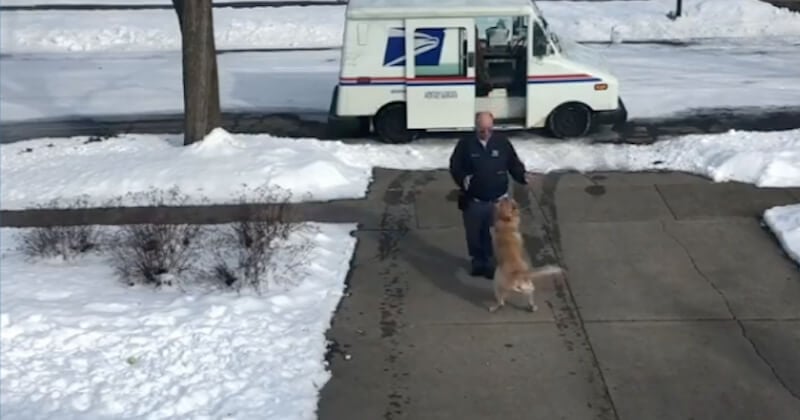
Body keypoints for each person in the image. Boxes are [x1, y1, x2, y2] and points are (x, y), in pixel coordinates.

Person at [448, 112, 534, 279]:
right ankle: (478, 261)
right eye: (482, 130)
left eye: (489, 129)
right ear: (475, 127)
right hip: (475, 201)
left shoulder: (502, 143)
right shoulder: (465, 144)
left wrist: (522, 176)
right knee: (475, 234)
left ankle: (491, 263)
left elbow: (513, 163)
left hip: (498, 202)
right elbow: (455, 166)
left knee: (498, 237)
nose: (486, 133)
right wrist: (463, 179)